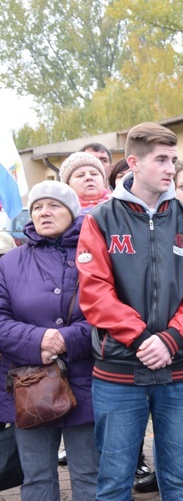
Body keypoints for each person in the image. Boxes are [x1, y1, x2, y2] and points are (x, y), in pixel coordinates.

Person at [76, 122, 183, 500]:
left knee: (181, 484)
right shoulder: (100, 220)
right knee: (114, 484)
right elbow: (94, 293)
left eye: (173, 159)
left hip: (181, 371)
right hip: (120, 371)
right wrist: (142, 339)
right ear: (134, 162)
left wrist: (170, 340)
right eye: (161, 160)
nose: (171, 168)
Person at [0, 181, 97, 500]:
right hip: (30, 383)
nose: (44, 212)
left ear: (72, 211)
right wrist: (40, 339)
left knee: (90, 474)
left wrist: (67, 339)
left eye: (54, 205)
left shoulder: (96, 254)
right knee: (37, 477)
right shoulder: (9, 263)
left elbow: (108, 312)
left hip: (87, 380)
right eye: (38, 206)